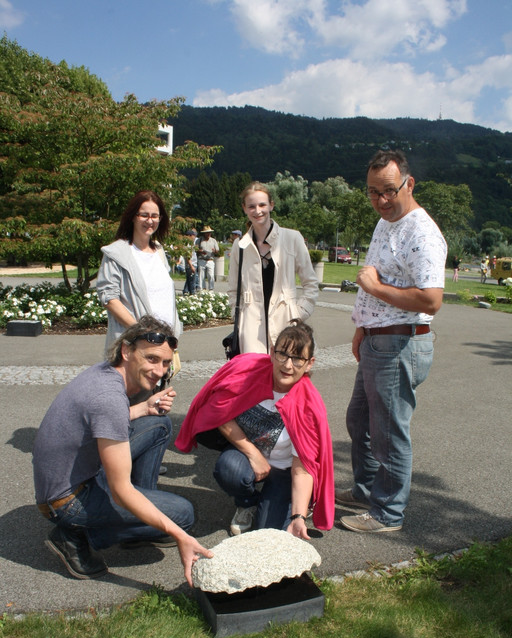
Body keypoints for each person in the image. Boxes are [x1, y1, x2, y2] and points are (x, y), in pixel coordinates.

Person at [32, 315, 212, 585]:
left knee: (159, 424)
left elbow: (101, 422)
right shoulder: (109, 398)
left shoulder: (105, 374)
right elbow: (120, 490)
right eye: (151, 359)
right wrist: (180, 535)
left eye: (165, 362)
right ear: (127, 351)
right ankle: (73, 535)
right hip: (65, 501)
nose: (160, 371)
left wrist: (145, 407)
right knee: (183, 515)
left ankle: (139, 514)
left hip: (71, 476)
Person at [337, 149, 446, 533]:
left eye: (388, 190)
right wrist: (362, 327)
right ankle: (367, 491)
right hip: (378, 340)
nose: (381, 200)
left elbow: (431, 300)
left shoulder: (421, 233)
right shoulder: (387, 222)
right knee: (360, 421)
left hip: (400, 345)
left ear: (408, 184)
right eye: (373, 191)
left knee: (388, 432)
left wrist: (375, 288)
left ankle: (387, 512)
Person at [175, 321, 334, 538]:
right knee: (230, 469)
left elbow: (302, 469)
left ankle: (278, 502)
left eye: (298, 358)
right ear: (272, 353)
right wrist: (254, 455)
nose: (288, 365)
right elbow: (219, 413)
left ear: (309, 363)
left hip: (284, 469)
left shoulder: (308, 407)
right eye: (283, 354)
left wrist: (298, 516)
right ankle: (246, 502)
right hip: (247, 454)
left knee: (269, 533)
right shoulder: (248, 374)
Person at [228, 182, 318, 353]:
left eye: (262, 205)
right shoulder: (240, 246)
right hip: (251, 329)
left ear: (271, 205)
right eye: (251, 206)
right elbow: (233, 290)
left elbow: (311, 283)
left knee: (286, 367)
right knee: (254, 369)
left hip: (287, 323)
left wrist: (298, 313)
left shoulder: (292, 238)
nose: (257, 211)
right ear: (244, 209)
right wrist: (238, 316)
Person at [97, 190, 182, 354]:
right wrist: (142, 332)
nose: (150, 221)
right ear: (133, 217)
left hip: (164, 344)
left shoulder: (159, 251)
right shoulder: (116, 253)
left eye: (155, 216)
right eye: (144, 215)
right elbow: (109, 299)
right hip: (134, 345)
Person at [196, 226, 219, 290]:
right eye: (207, 232)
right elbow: (195, 249)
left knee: (211, 275)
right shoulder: (199, 240)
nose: (208, 234)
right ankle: (202, 288)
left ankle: (211, 289)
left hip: (210, 259)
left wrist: (215, 251)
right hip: (202, 259)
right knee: (201, 276)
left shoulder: (213, 240)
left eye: (209, 232)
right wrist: (200, 251)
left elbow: (217, 250)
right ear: (204, 233)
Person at [182, 228, 197, 295]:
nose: (194, 237)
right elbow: (188, 257)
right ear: (190, 236)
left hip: (192, 264)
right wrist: (191, 266)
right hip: (191, 265)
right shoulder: (188, 245)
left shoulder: (191, 244)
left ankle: (185, 291)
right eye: (193, 235)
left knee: (189, 279)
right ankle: (192, 293)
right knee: (192, 281)